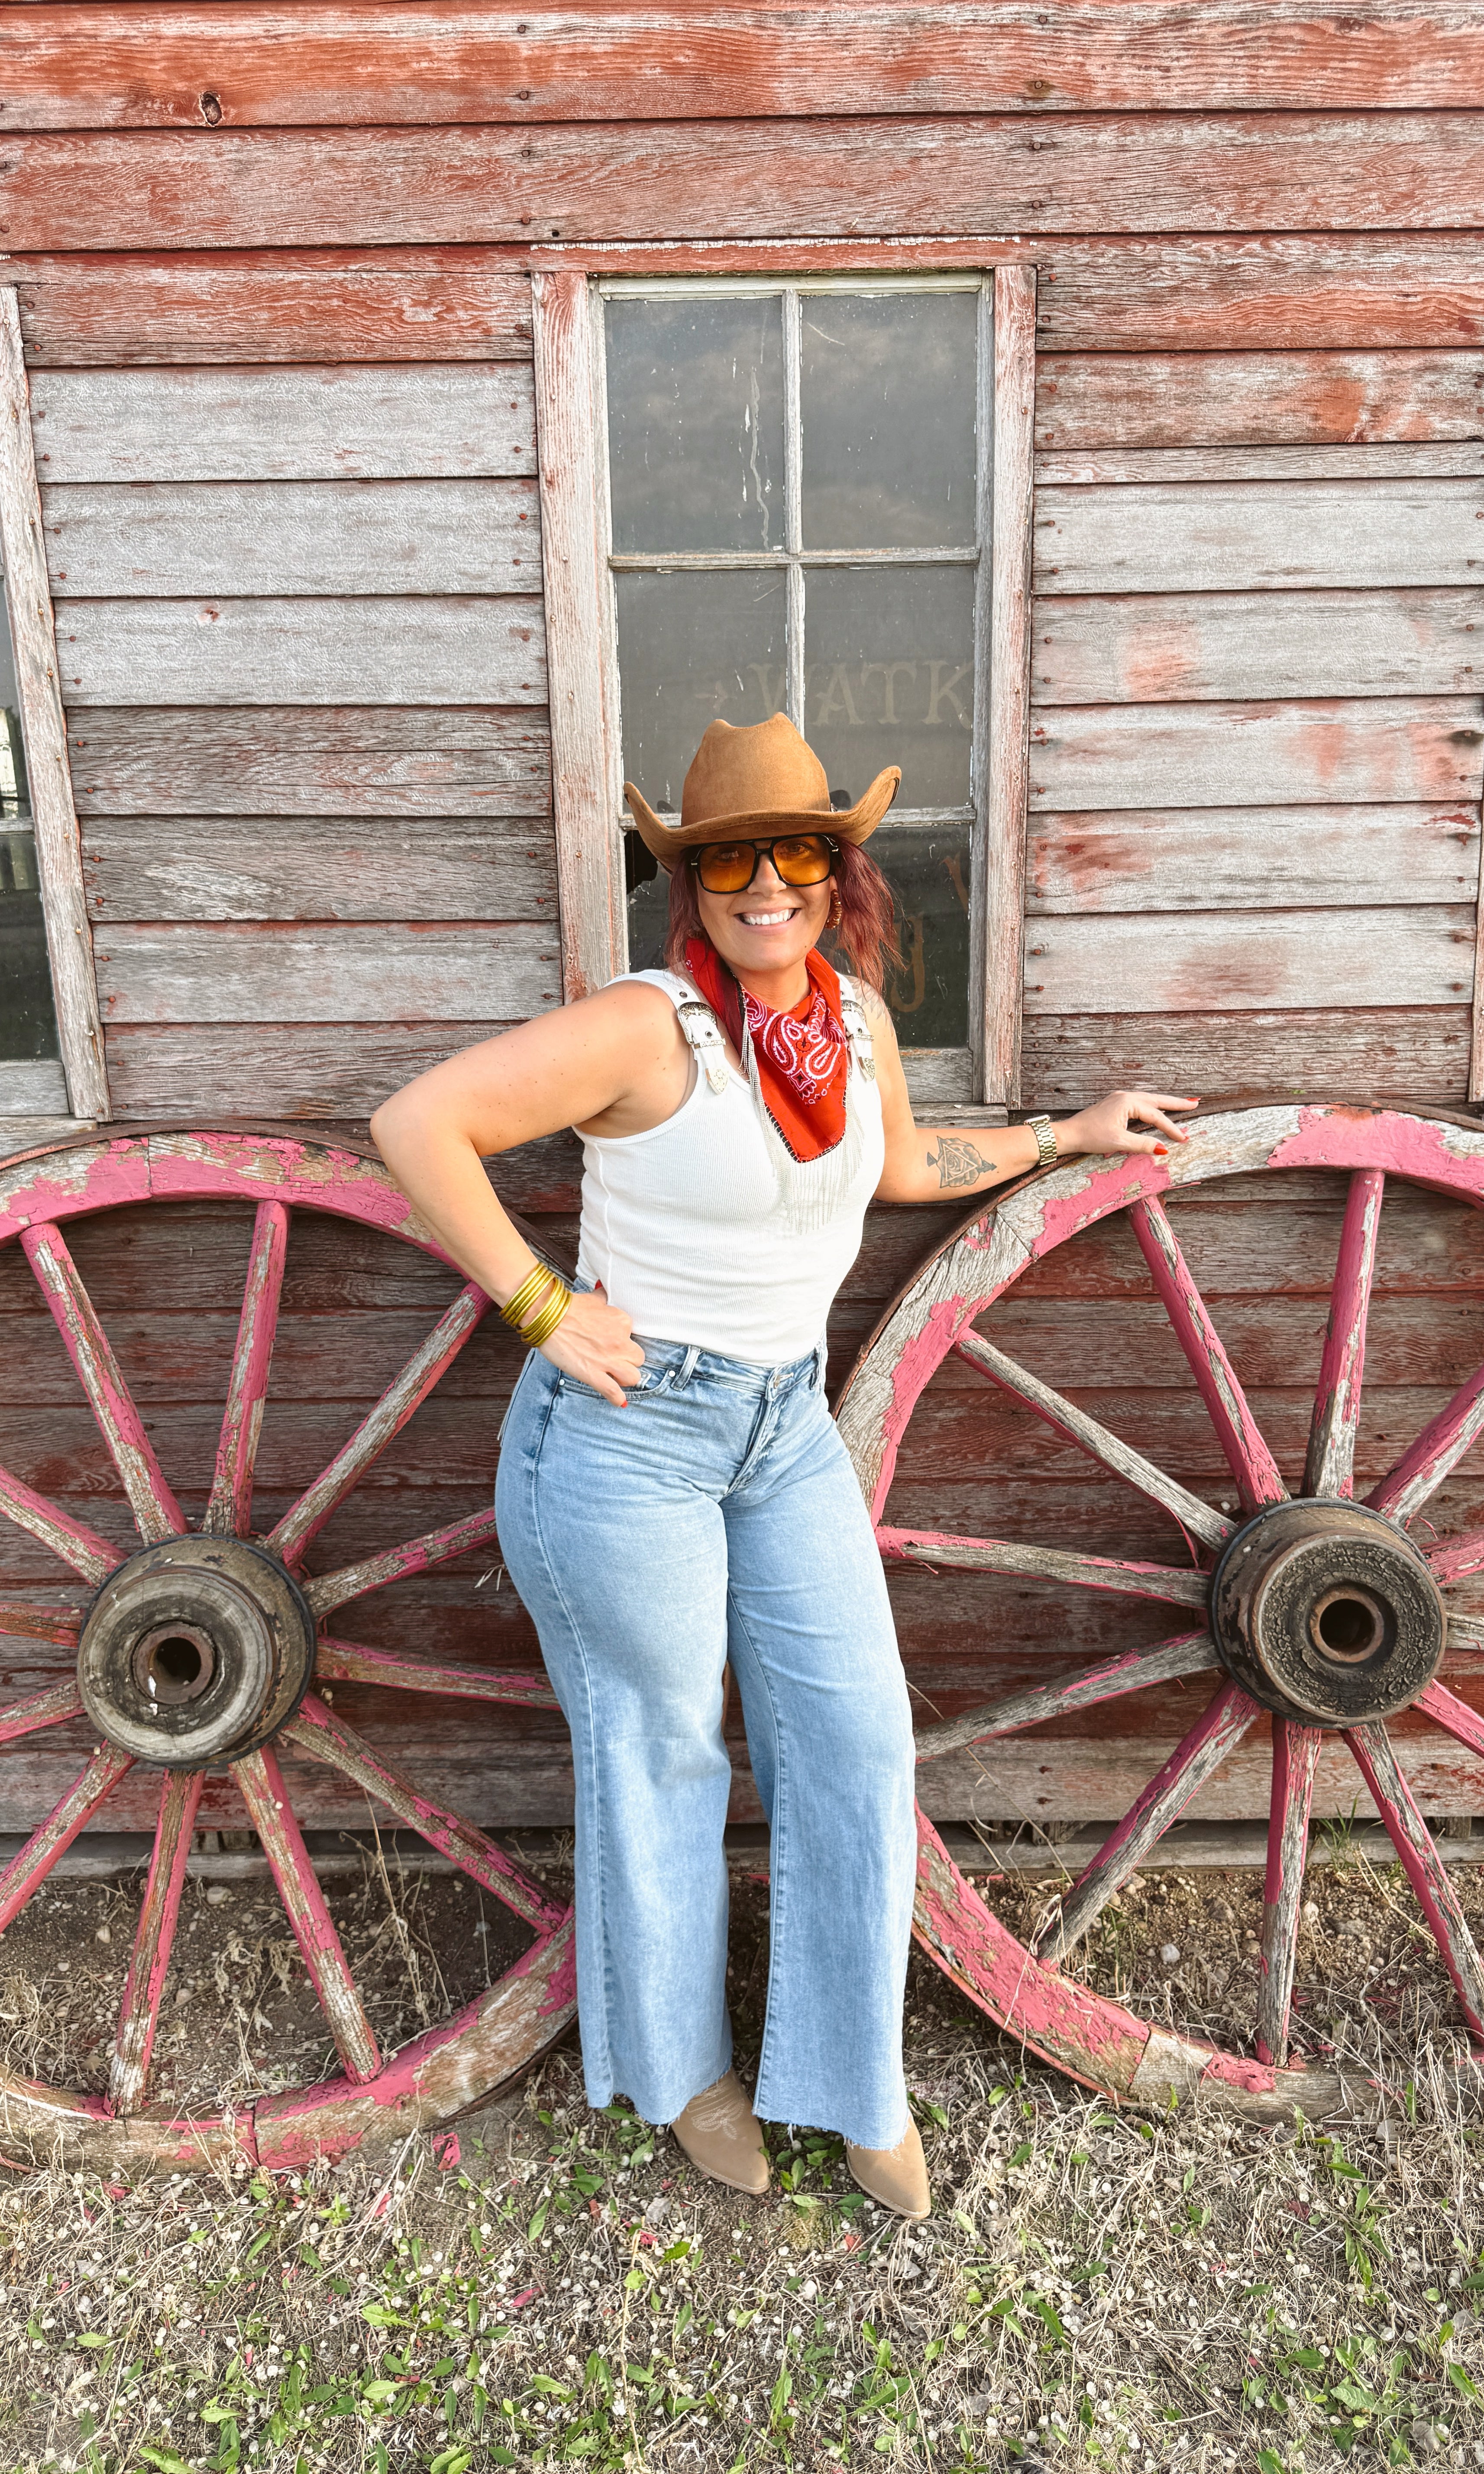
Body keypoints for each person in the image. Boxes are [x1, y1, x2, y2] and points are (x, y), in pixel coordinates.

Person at [370, 713, 1196, 2218]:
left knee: (857, 1744)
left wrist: (1060, 1135)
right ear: (691, 881)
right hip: (634, 1443)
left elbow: (891, 1166)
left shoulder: (847, 1020)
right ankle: (686, 2075)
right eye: (731, 860)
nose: (768, 886)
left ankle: (849, 2081)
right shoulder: (642, 1026)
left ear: (836, 870)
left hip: (785, 1431)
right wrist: (542, 1307)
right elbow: (417, 1124)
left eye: (797, 854)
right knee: (665, 1753)